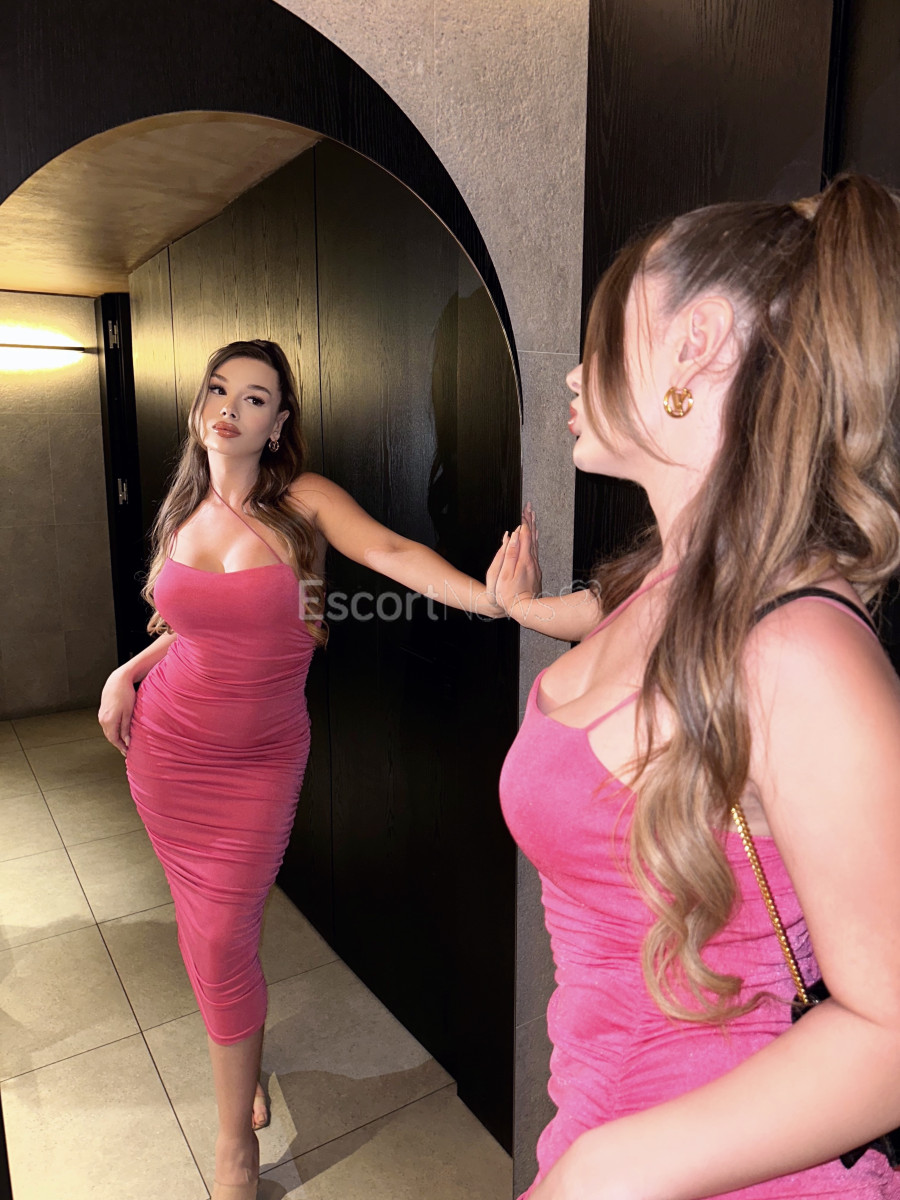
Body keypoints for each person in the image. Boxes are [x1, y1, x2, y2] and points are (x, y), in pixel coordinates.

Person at [488, 173, 900, 1198]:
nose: (576, 372)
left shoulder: (799, 650)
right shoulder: (662, 585)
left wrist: (608, 1169)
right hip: (601, 1127)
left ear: (696, 344)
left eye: (601, 334)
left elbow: (892, 1029)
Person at [98, 339, 501, 1200]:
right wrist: (124, 672)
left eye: (254, 398)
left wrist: (495, 599)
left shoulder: (302, 505)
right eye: (219, 389)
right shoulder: (182, 510)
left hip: (257, 765)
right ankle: (238, 1088)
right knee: (205, 929)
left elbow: (391, 552)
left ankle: (232, 1148)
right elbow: (190, 631)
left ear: (278, 425)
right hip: (166, 754)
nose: (229, 407)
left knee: (221, 933)